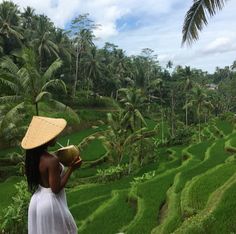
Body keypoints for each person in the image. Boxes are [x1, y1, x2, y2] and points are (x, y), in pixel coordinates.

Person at [21, 116, 82, 234]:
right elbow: (55, 188)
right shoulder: (51, 160)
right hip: (50, 203)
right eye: (52, 134)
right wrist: (71, 169)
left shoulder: (33, 157)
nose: (56, 136)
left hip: (37, 201)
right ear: (44, 139)